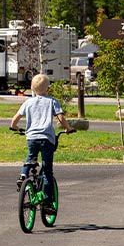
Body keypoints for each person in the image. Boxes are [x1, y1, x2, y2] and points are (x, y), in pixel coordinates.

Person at [10, 74, 74, 213]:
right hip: (47, 138)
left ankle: (23, 175)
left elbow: (14, 120)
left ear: (32, 88)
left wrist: (15, 127)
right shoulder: (52, 101)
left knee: (30, 156)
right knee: (47, 170)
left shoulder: (28, 102)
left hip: (31, 137)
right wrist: (68, 128)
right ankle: (48, 202)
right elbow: (61, 117)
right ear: (49, 89)